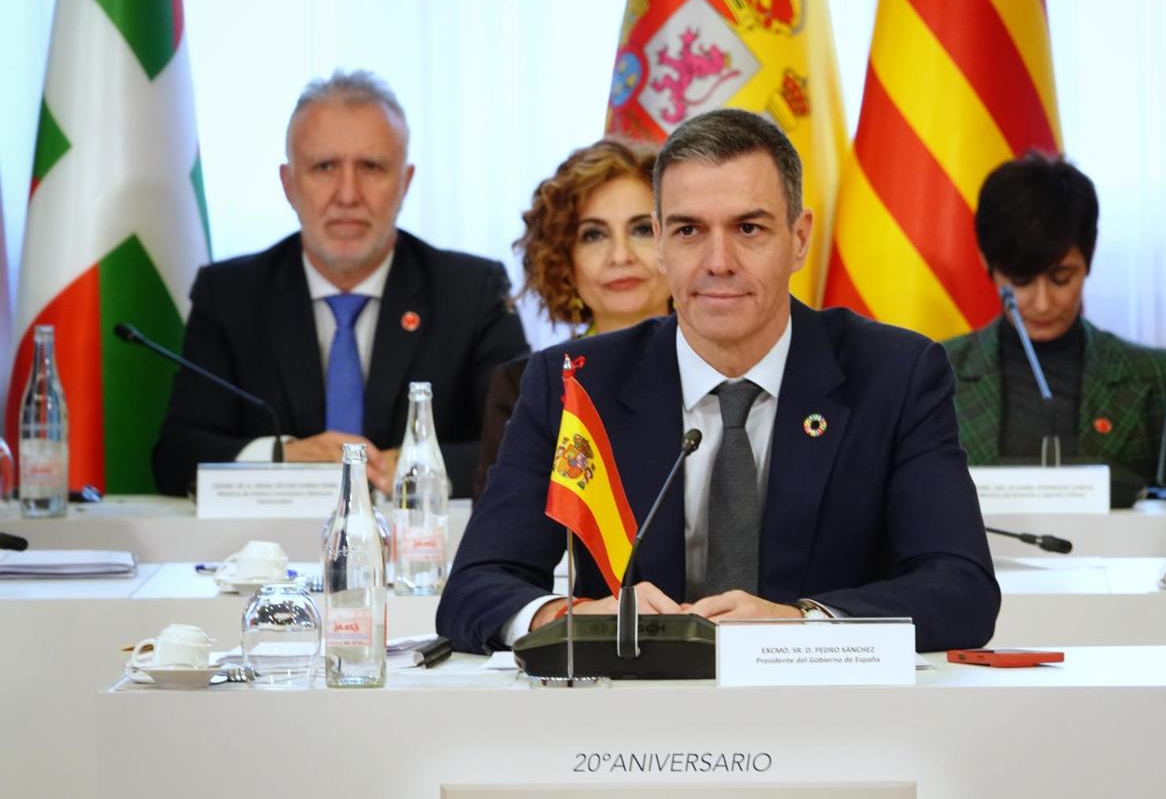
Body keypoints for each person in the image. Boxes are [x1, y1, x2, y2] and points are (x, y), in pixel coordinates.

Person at [438, 108, 999, 655]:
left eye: (748, 228)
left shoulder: (895, 376)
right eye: (688, 231)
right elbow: (475, 588)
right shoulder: (575, 384)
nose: (718, 261)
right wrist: (571, 617)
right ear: (659, 241)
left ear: (799, 238)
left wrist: (805, 624)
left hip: (828, 712)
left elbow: (962, 591)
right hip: (626, 724)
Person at [153, 71, 528, 497]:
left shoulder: (473, 293)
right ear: (289, 184)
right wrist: (283, 455)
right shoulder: (230, 295)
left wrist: (411, 466)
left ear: (404, 183)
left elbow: (525, 445)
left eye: (371, 167)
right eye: (324, 167)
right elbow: (176, 456)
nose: (347, 195)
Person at [943, 152, 1166, 498]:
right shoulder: (936, 373)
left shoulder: (1158, 376)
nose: (1042, 303)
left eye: (1061, 278)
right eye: (1020, 281)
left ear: (1089, 259)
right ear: (987, 263)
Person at [473, 139, 672, 500]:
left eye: (642, 229)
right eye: (593, 235)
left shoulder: (721, 373)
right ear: (564, 262)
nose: (620, 256)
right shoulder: (523, 387)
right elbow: (498, 537)